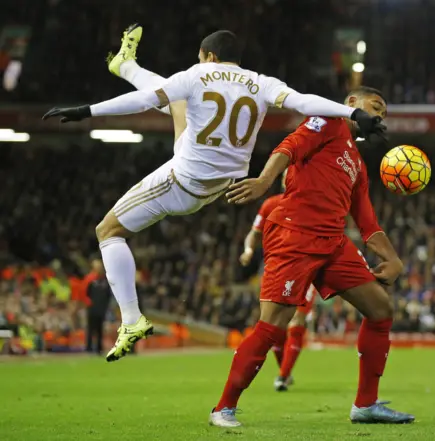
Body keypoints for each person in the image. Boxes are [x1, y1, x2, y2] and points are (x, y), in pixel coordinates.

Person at [42, 25, 386, 363]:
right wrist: (352, 113)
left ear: (209, 56)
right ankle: (125, 66)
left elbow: (145, 100)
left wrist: (88, 111)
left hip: (183, 181)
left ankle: (131, 319)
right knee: (176, 104)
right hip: (223, 182)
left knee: (107, 231)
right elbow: (304, 101)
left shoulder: (196, 75)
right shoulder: (260, 83)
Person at [210, 86, 414, 427]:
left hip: (333, 243)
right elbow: (289, 147)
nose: (379, 116)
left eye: (383, 114)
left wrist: (393, 259)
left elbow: (367, 222)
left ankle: (366, 404)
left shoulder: (358, 166)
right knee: (273, 326)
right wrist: (263, 181)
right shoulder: (328, 121)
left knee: (381, 309)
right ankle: (224, 408)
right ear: (352, 104)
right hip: (295, 235)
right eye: (375, 107)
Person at [239, 171, 317, 391]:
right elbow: (253, 234)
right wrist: (248, 250)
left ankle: (283, 376)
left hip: (306, 269)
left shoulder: (312, 206)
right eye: (287, 175)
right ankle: (284, 370)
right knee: (274, 326)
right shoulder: (270, 205)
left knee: (297, 322)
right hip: (277, 269)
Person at [85, 259, 111, 354]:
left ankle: (99, 349)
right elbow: (85, 293)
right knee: (91, 329)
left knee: (100, 329)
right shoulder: (90, 279)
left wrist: (106, 306)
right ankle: (88, 348)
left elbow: (108, 295)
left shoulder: (105, 281)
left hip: (101, 309)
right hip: (92, 308)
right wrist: (88, 303)